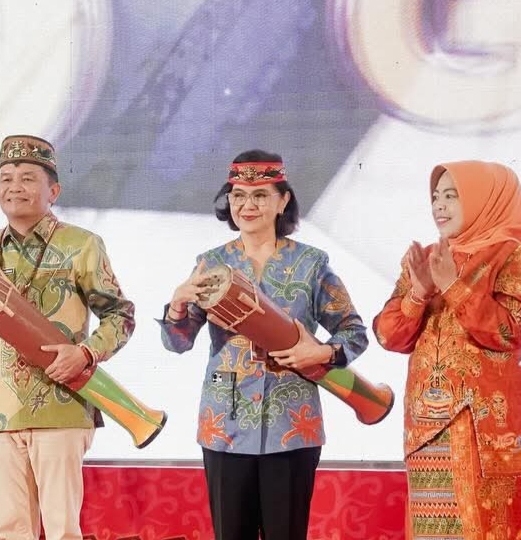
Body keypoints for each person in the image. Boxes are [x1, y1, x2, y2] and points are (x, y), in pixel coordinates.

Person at [0, 135, 135, 540]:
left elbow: (120, 315)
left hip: (62, 405)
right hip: (0, 412)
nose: (14, 187)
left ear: (53, 191)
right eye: (6, 178)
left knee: (62, 530)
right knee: (10, 530)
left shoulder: (81, 245)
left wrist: (85, 353)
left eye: (27, 178)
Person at [160, 150, 368, 540]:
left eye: (260, 195)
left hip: (291, 425)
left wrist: (322, 353)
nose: (248, 205)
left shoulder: (311, 264)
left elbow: (353, 333)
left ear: (283, 200)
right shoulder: (211, 264)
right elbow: (178, 341)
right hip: (225, 425)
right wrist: (177, 306)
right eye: (238, 195)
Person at [373, 161, 521, 539]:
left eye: (452, 196)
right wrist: (419, 292)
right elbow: (388, 336)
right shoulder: (427, 258)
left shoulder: (510, 253)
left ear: (484, 199)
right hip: (424, 429)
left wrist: (455, 287)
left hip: (481, 431)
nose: (439, 205)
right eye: (436, 196)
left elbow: (510, 332)